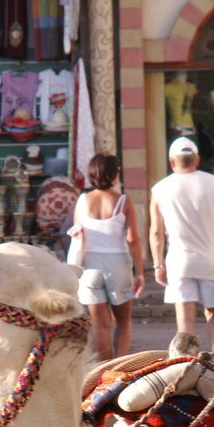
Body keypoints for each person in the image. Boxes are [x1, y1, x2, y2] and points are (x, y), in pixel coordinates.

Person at [149, 136, 214, 351]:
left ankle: (187, 362)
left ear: (172, 162)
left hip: (179, 263)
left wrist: (158, 264)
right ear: (197, 160)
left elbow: (156, 232)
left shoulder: (160, 189)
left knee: (185, 320)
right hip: (212, 260)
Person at [71, 154, 145, 361]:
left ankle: (104, 370)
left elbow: (78, 235)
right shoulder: (124, 201)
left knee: (99, 325)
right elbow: (133, 239)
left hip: (89, 267)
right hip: (118, 266)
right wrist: (139, 272)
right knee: (123, 321)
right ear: (115, 175)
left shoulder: (82, 201)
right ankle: (120, 367)